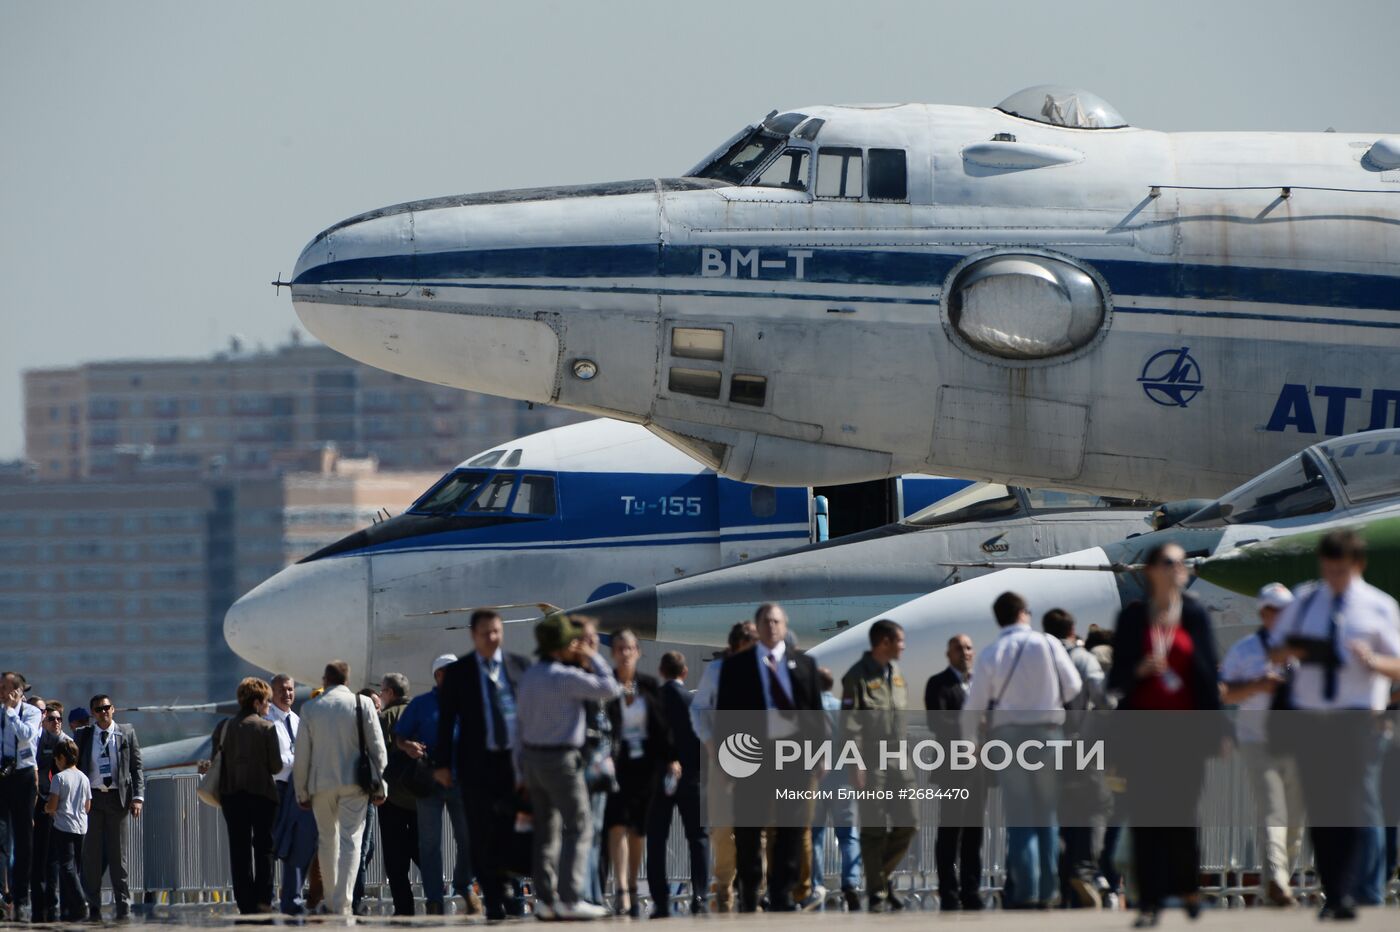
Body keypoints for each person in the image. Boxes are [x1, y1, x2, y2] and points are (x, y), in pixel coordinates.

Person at [1268, 530, 1400, 921]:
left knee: (1359, 802)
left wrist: (1373, 662)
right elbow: (1274, 649)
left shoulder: (1378, 607)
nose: (1334, 578)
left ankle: (1367, 891)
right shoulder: (1306, 601)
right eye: (1328, 570)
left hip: (1359, 716)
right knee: (1323, 808)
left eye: (1340, 571)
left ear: (1357, 566)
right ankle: (1337, 893)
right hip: (1313, 719)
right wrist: (1293, 648)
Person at [1108, 542, 1224, 927]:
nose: (1179, 568)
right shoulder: (1133, 619)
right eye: (1170, 562)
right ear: (1152, 570)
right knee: (1146, 817)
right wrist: (1139, 669)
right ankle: (1149, 901)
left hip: (1185, 735)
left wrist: (1218, 729)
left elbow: (1207, 676)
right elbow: (1116, 681)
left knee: (1182, 815)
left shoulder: (1193, 614)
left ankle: (1189, 891)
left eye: (1182, 563)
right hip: (1143, 734)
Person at [964, 593, 1082, 910]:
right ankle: (1049, 891)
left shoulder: (991, 652)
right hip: (1046, 734)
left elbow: (972, 707)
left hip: (1007, 738)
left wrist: (970, 744)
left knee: (1019, 818)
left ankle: (1027, 891)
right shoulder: (1048, 644)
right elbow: (1073, 686)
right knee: (1047, 816)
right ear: (1022, 613)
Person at [717, 603, 823, 913]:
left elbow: (815, 715)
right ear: (757, 626)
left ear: (785, 624)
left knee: (791, 827)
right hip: (753, 755)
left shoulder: (804, 665)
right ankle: (750, 890)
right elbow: (725, 718)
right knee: (749, 828)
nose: (771, 626)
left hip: (793, 755)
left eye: (776, 621)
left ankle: (782, 893)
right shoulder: (737, 666)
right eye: (765, 621)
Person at [515, 613, 620, 921]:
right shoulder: (565, 677)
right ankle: (571, 897)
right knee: (579, 825)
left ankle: (545, 901)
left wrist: (519, 769)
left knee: (546, 832)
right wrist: (593, 656)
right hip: (561, 759)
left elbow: (518, 726)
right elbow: (609, 688)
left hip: (532, 759)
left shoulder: (530, 675)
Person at [433, 609, 531, 921]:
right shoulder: (460, 673)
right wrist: (442, 764)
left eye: (496, 631)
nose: (492, 638)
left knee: (510, 830)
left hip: (512, 764)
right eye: (485, 632)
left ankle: (506, 886)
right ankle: (492, 898)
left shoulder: (518, 666)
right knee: (480, 832)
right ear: (474, 636)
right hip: (476, 764)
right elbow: (446, 722)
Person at [1219, 583, 1304, 907]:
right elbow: (1224, 693)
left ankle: (1278, 882)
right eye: (1276, 610)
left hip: (1298, 745)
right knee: (1273, 812)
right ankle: (1279, 883)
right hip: (1257, 741)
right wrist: (1257, 685)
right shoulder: (1245, 650)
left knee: (1295, 823)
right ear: (1264, 613)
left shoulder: (1303, 651)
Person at [292, 661, 388, 917]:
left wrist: (301, 790)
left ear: (325, 679)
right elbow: (378, 749)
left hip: (320, 786)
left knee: (327, 841)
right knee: (351, 841)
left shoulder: (310, 708)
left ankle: (331, 898)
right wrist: (380, 784)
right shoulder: (362, 704)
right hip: (355, 784)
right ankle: (342, 902)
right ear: (348, 680)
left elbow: (302, 755)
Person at [841, 619, 918, 912]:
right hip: (871, 761)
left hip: (899, 759)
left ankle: (880, 880)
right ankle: (877, 893)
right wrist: (855, 763)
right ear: (884, 642)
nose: (904, 646)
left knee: (909, 822)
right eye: (900, 640)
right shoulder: (856, 677)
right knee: (873, 829)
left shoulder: (896, 673)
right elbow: (849, 726)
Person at [601, 631, 677, 917]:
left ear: (638, 652)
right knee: (616, 825)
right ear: (613, 652)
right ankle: (620, 888)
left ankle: (632, 884)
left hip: (644, 766)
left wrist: (672, 759)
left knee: (638, 829)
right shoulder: (605, 684)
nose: (625, 653)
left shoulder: (648, 685)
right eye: (620, 648)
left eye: (630, 648)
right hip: (614, 765)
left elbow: (662, 727)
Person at [398, 657, 478, 917]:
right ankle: (434, 899)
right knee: (430, 843)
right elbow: (400, 736)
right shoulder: (420, 705)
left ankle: (464, 884)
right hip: (429, 782)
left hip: (462, 782)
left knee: (468, 838)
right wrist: (407, 745)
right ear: (440, 675)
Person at [1043, 608, 1110, 910]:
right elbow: (1104, 699)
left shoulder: (1039, 661)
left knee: (1053, 814)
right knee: (1093, 806)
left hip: (1042, 749)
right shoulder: (1083, 659)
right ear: (1072, 630)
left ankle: (1055, 880)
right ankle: (1083, 870)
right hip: (1080, 745)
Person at [690, 621, 756, 912]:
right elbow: (699, 708)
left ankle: (755, 890)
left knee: (759, 829)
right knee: (722, 827)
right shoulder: (718, 672)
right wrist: (709, 743)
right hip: (724, 756)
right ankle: (725, 886)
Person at [213, 677, 286, 915]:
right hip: (262, 796)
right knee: (264, 849)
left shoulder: (224, 727)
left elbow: (216, 761)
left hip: (231, 796)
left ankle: (245, 902)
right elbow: (275, 766)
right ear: (256, 702)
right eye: (266, 702)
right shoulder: (266, 728)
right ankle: (263, 900)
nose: (268, 707)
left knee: (239, 849)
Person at [646, 651, 710, 918]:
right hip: (692, 777)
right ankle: (700, 896)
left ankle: (660, 900)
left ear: (661, 671)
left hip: (659, 777)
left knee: (657, 839)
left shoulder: (651, 702)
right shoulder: (694, 702)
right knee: (698, 838)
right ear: (684, 673)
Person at [924, 633, 984, 911]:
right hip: (952, 769)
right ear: (948, 654)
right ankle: (949, 891)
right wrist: (968, 735)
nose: (965, 652)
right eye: (958, 648)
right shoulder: (938, 683)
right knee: (950, 831)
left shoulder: (981, 685)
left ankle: (971, 890)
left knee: (974, 833)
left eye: (969, 648)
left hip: (978, 770)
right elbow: (938, 721)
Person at [73, 693, 143, 921]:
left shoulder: (126, 732)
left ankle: (123, 904)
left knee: (118, 855)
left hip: (118, 799)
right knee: (91, 856)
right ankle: (92, 904)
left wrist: (138, 798)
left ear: (113, 709)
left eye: (107, 708)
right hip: (92, 799)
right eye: (99, 709)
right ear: (92, 713)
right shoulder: (84, 735)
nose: (104, 712)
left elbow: (136, 768)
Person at [365, 671, 420, 916]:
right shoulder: (422, 714)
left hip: (392, 798)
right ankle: (436, 898)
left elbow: (375, 755)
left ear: (389, 693)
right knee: (424, 852)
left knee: (396, 862)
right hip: (422, 797)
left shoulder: (383, 717)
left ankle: (404, 907)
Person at [811, 668, 861, 912]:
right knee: (848, 834)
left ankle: (815, 886)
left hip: (813, 780)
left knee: (815, 836)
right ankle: (851, 882)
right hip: (843, 780)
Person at [266, 673, 317, 915]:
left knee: (298, 844)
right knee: (276, 845)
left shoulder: (298, 720)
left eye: (290, 689)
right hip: (278, 789)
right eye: (282, 690)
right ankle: (273, 898)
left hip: (299, 789)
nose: (287, 694)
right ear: (272, 692)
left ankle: (293, 898)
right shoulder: (268, 720)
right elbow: (276, 760)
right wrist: (299, 762)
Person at [578, 619, 614, 908]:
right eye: (589, 640)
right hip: (575, 763)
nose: (595, 645)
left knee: (596, 831)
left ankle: (593, 893)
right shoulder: (570, 675)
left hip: (599, 762)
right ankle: (581, 893)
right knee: (579, 831)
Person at [0, 672, 41, 922]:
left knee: (24, 838)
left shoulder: (31, 713)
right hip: (3, 776)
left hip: (24, 775)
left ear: (17, 691)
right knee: (2, 836)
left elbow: (26, 735)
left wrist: (12, 712)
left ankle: (21, 896)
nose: (2, 692)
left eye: (5, 688)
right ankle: (3, 893)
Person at [42, 739, 89, 923]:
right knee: (75, 867)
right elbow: (88, 805)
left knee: (66, 866)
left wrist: (46, 808)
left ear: (61, 758)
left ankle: (80, 901)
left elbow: (53, 805)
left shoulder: (59, 778)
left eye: (56, 759)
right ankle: (71, 907)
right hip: (81, 827)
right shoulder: (84, 778)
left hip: (63, 826)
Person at [31, 701, 67, 922]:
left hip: (56, 807)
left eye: (58, 719)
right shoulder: (34, 741)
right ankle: (38, 905)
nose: (55, 722)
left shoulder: (62, 742)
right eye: (50, 719)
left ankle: (53, 904)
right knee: (38, 858)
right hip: (37, 805)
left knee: (53, 859)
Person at [351, 686, 382, 915]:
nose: (377, 707)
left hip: (368, 792)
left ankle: (353, 897)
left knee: (367, 848)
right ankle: (354, 902)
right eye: (373, 704)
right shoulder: (363, 728)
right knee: (361, 850)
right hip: (365, 793)